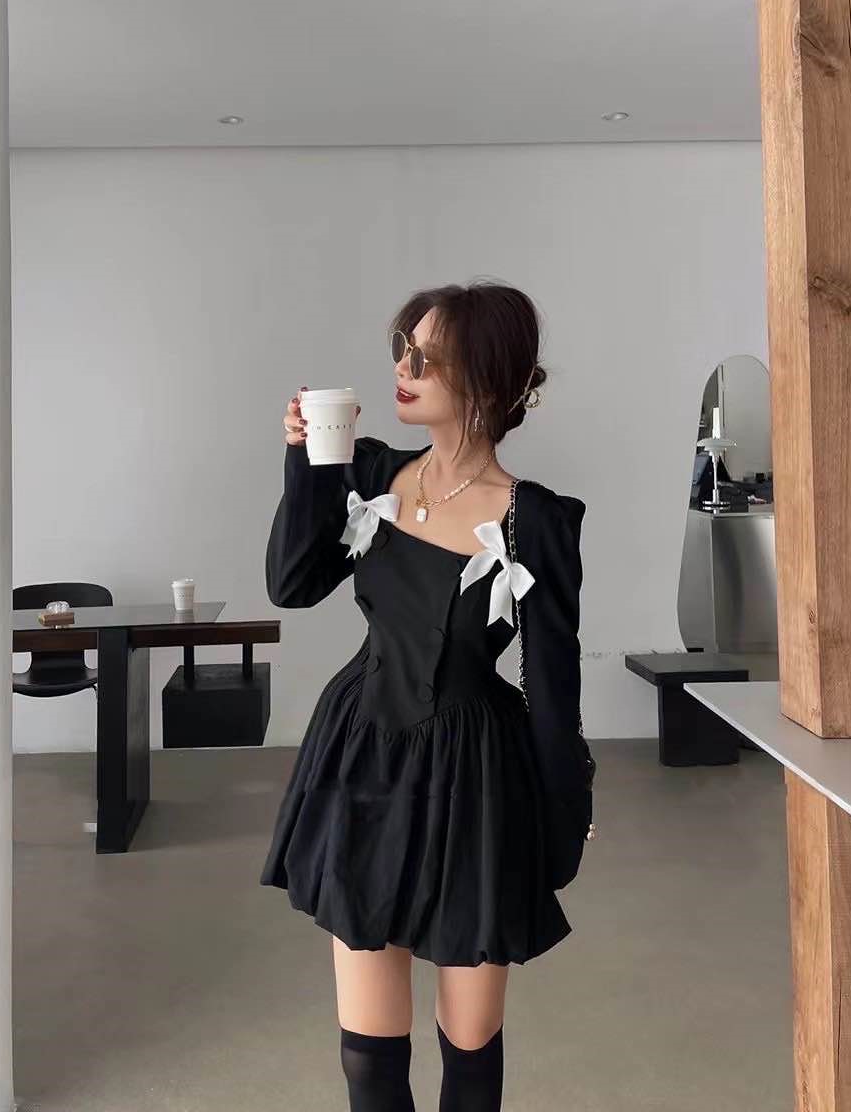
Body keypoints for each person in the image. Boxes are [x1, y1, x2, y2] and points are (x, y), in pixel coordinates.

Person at [259, 280, 594, 1112]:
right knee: (369, 1059)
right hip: (360, 757)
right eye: (403, 350)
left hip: (474, 781)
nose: (404, 371)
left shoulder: (531, 521)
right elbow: (293, 583)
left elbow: (554, 687)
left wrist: (559, 826)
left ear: (485, 379)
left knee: (470, 1055)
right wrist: (306, 462)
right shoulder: (374, 471)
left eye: (428, 358)